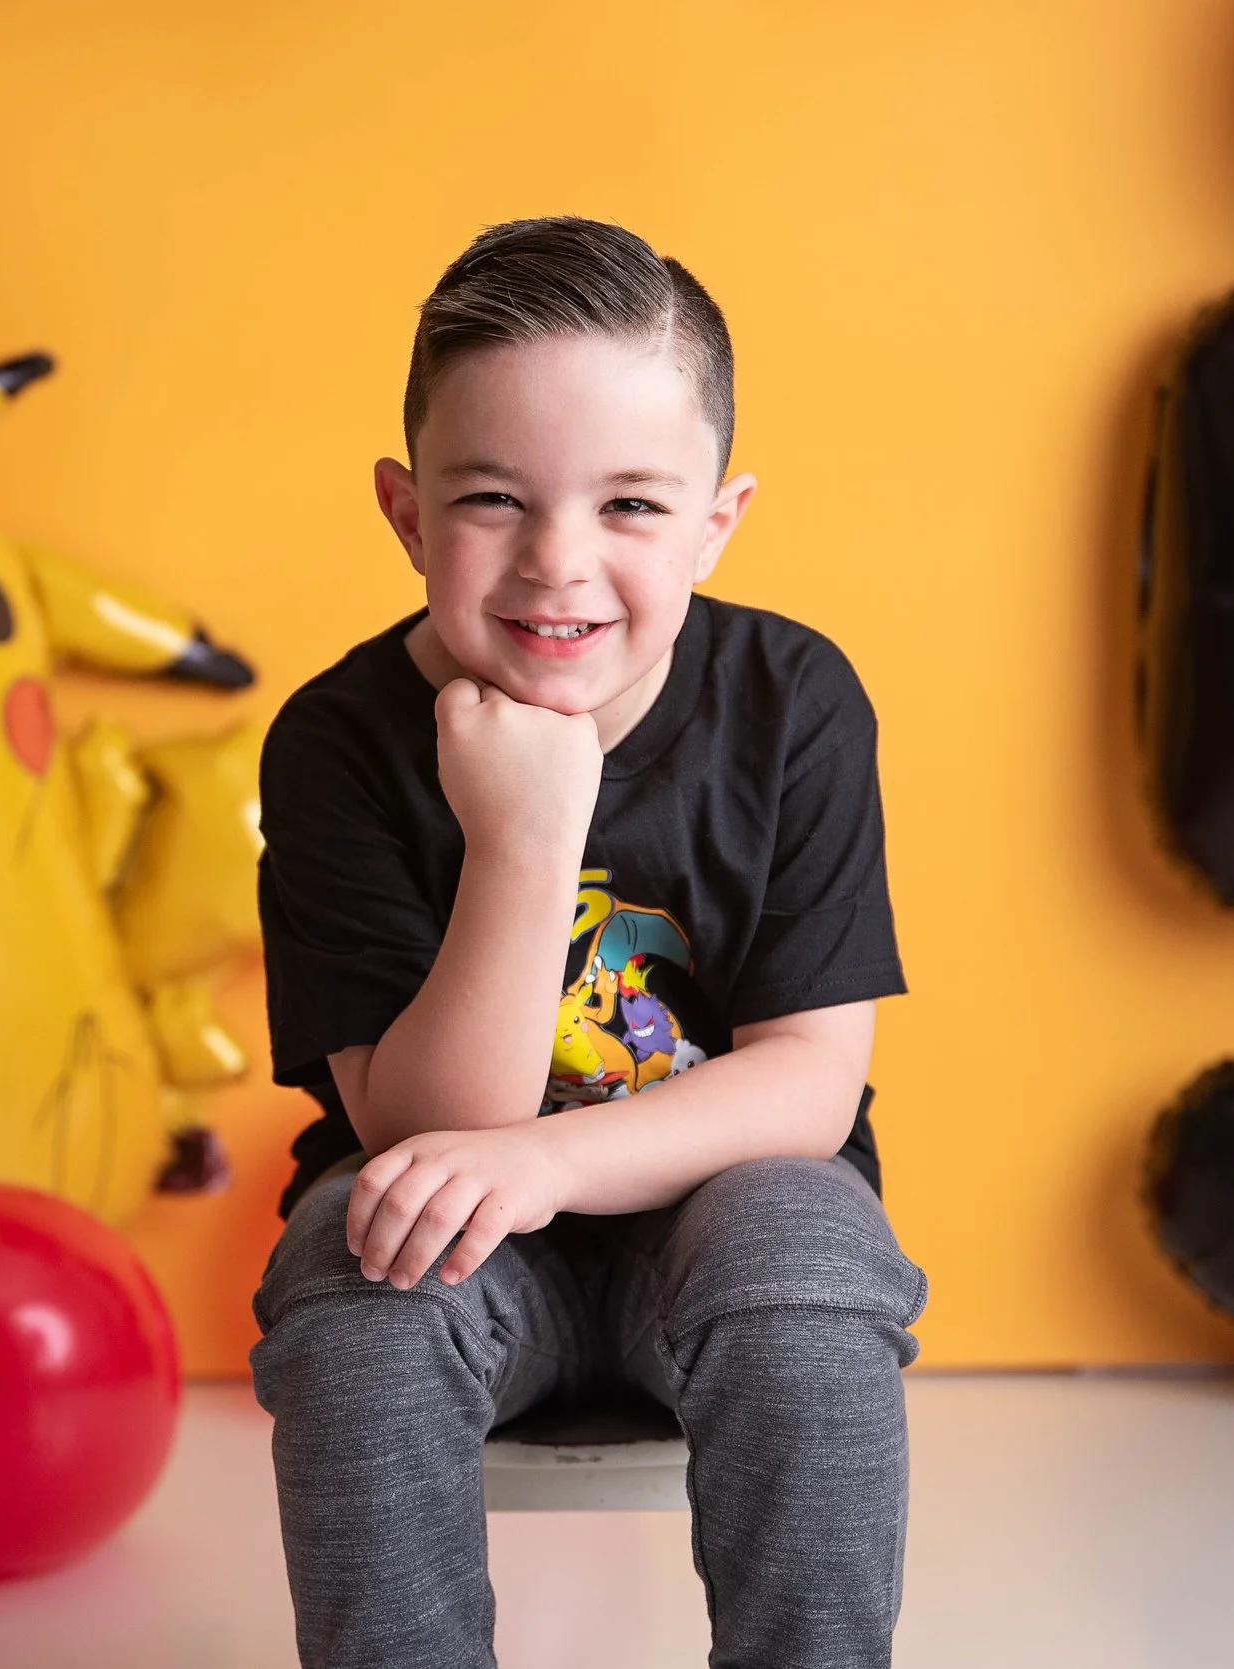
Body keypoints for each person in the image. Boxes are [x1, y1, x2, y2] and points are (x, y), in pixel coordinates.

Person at [251, 215, 927, 1669]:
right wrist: (526, 836)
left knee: (806, 1252)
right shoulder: (336, 743)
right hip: (458, 1240)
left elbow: (808, 1084)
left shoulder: (796, 700)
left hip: (723, 1214)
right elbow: (425, 1129)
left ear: (718, 520)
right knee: (360, 1291)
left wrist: (551, 1161)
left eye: (630, 506)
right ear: (405, 511)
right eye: (493, 497)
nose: (558, 565)